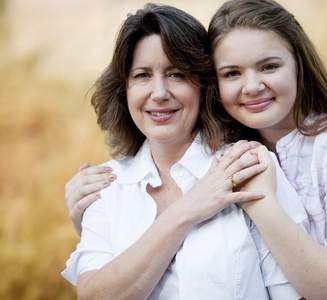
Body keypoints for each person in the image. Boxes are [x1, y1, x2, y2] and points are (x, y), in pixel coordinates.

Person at [66, 0, 327, 299]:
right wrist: (95, 218)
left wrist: (259, 202)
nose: (252, 86)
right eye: (232, 73)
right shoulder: (114, 188)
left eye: (269, 66)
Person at [61, 3, 308, 299]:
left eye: (177, 73)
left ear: (204, 84)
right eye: (142, 75)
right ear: (123, 88)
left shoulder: (247, 167)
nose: (160, 92)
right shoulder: (107, 186)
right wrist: (187, 210)